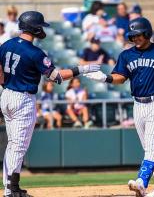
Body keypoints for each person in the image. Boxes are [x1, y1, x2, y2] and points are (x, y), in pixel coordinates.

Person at [84, 17, 154, 197]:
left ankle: (142, 181)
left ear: (147, 33)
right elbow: (120, 77)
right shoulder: (127, 55)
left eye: (138, 35)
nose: (135, 38)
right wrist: (105, 78)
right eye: (132, 35)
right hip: (138, 104)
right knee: (151, 148)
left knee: (151, 145)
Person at [0, 11, 100, 197]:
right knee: (18, 145)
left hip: (6, 94)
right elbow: (56, 77)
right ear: (34, 28)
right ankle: (11, 190)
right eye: (39, 26)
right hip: (23, 98)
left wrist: (4, 84)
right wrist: (81, 69)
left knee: (13, 145)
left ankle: (10, 187)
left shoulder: (7, 44)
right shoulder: (35, 52)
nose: (42, 30)